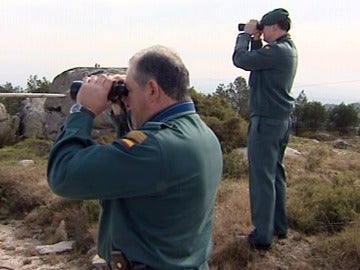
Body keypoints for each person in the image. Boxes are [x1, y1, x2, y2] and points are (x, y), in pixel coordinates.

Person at [47, 45, 223, 269]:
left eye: (128, 91)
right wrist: (122, 119)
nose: (127, 100)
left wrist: (83, 111)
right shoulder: (201, 134)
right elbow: (133, 171)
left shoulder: (156, 148)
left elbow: (63, 174)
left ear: (152, 90)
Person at [232, 8, 298, 250]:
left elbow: (241, 60)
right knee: (276, 175)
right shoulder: (286, 50)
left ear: (272, 27)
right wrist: (257, 42)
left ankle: (261, 237)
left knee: (262, 179)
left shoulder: (277, 51)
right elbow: (259, 65)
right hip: (279, 121)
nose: (262, 32)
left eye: (263, 29)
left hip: (267, 122)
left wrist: (245, 37)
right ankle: (278, 227)